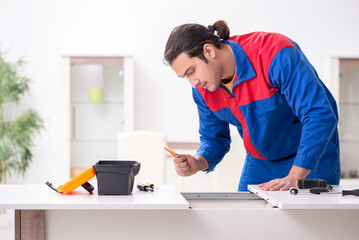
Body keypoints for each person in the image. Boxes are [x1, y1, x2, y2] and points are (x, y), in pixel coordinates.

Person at [163, 20, 340, 191]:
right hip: (260, 160)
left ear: (208, 51)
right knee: (246, 219)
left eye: (191, 71)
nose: (193, 83)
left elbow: (319, 116)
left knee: (307, 220)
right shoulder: (203, 89)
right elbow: (215, 139)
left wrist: (295, 176)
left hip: (310, 157)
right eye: (185, 77)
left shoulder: (275, 53)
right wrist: (199, 162)